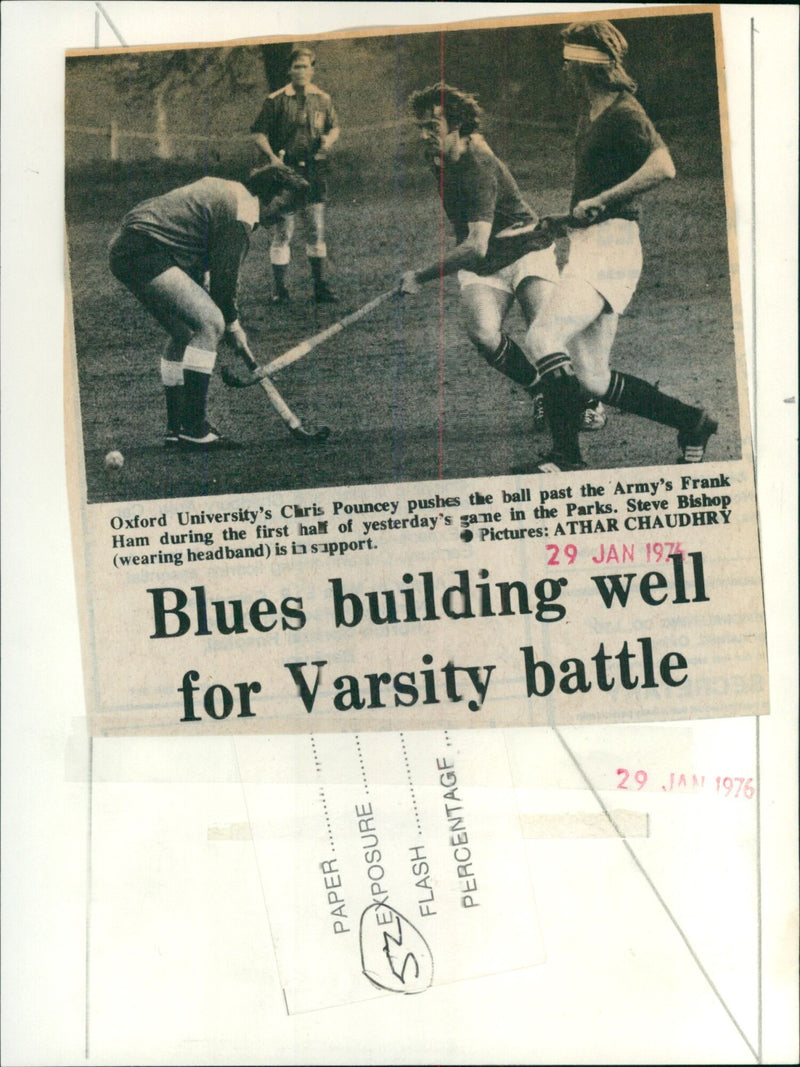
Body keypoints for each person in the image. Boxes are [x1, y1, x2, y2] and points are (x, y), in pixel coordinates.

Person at [524, 20, 718, 472]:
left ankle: (566, 456)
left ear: (584, 68)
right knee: (592, 378)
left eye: (569, 62)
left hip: (612, 250)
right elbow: (594, 190)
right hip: (593, 243)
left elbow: (664, 167)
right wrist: (565, 221)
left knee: (542, 336)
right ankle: (693, 421)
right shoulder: (591, 114)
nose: (564, 71)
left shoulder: (625, 113)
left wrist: (605, 201)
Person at [108, 165, 308, 449]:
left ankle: (177, 428)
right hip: (145, 250)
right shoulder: (240, 213)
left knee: (184, 331)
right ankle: (194, 429)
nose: (282, 216)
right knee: (211, 322)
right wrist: (234, 327)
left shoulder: (229, 190)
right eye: (283, 205)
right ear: (268, 193)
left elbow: (204, 256)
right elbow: (224, 286)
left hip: (131, 248)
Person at [399, 83, 559, 421]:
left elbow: (474, 245)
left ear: (456, 126)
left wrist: (420, 275)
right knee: (483, 333)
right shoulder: (438, 155)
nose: (425, 134)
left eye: (433, 127)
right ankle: (539, 389)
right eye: (422, 127)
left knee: (543, 337)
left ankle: (589, 401)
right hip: (487, 260)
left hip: (525, 249)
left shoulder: (478, 164)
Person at [251, 46, 340, 304]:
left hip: (314, 170)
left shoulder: (323, 99)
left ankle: (320, 287)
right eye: (296, 66)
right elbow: (258, 132)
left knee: (315, 229)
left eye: (306, 66)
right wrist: (272, 158)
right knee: (283, 231)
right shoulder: (276, 100)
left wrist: (328, 141)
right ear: (290, 70)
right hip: (285, 171)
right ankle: (280, 290)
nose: (301, 71)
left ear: (313, 69)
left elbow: (335, 127)